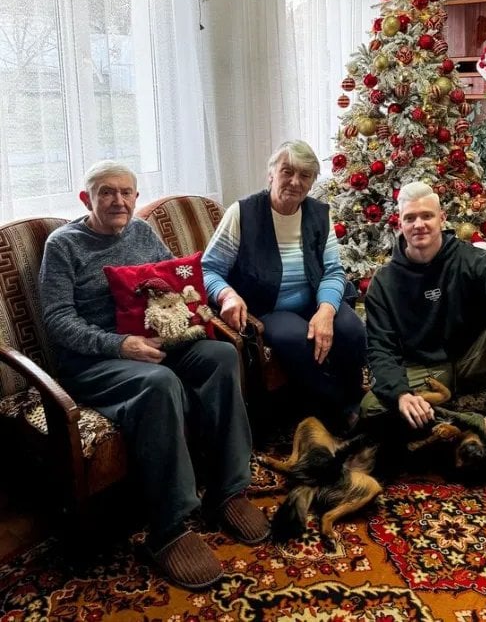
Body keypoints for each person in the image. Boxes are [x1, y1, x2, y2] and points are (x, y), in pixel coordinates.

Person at [39, 160, 269, 591]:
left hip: (154, 344)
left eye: (127, 192)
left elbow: (178, 278)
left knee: (220, 356)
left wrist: (197, 311)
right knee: (161, 384)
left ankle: (228, 491)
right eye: (106, 192)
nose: (118, 200)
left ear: (136, 198)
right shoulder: (64, 245)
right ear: (86, 198)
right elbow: (56, 320)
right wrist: (119, 345)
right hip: (95, 360)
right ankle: (170, 526)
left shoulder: (142, 232)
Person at [362, 181, 486, 518]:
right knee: (372, 409)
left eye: (427, 216)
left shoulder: (472, 259)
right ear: (399, 223)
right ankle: (482, 423)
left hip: (472, 360)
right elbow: (380, 351)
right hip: (423, 369)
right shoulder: (384, 281)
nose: (419, 224)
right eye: (410, 218)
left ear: (442, 218)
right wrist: (401, 394)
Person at [202, 140, 366, 433]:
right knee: (293, 337)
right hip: (269, 305)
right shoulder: (242, 214)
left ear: (313, 181)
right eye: (287, 171)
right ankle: (336, 409)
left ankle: (353, 401)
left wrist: (326, 310)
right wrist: (226, 294)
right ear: (271, 175)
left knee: (352, 329)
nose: (295, 181)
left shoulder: (319, 214)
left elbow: (333, 271)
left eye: (304, 175)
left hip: (315, 298)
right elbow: (208, 269)